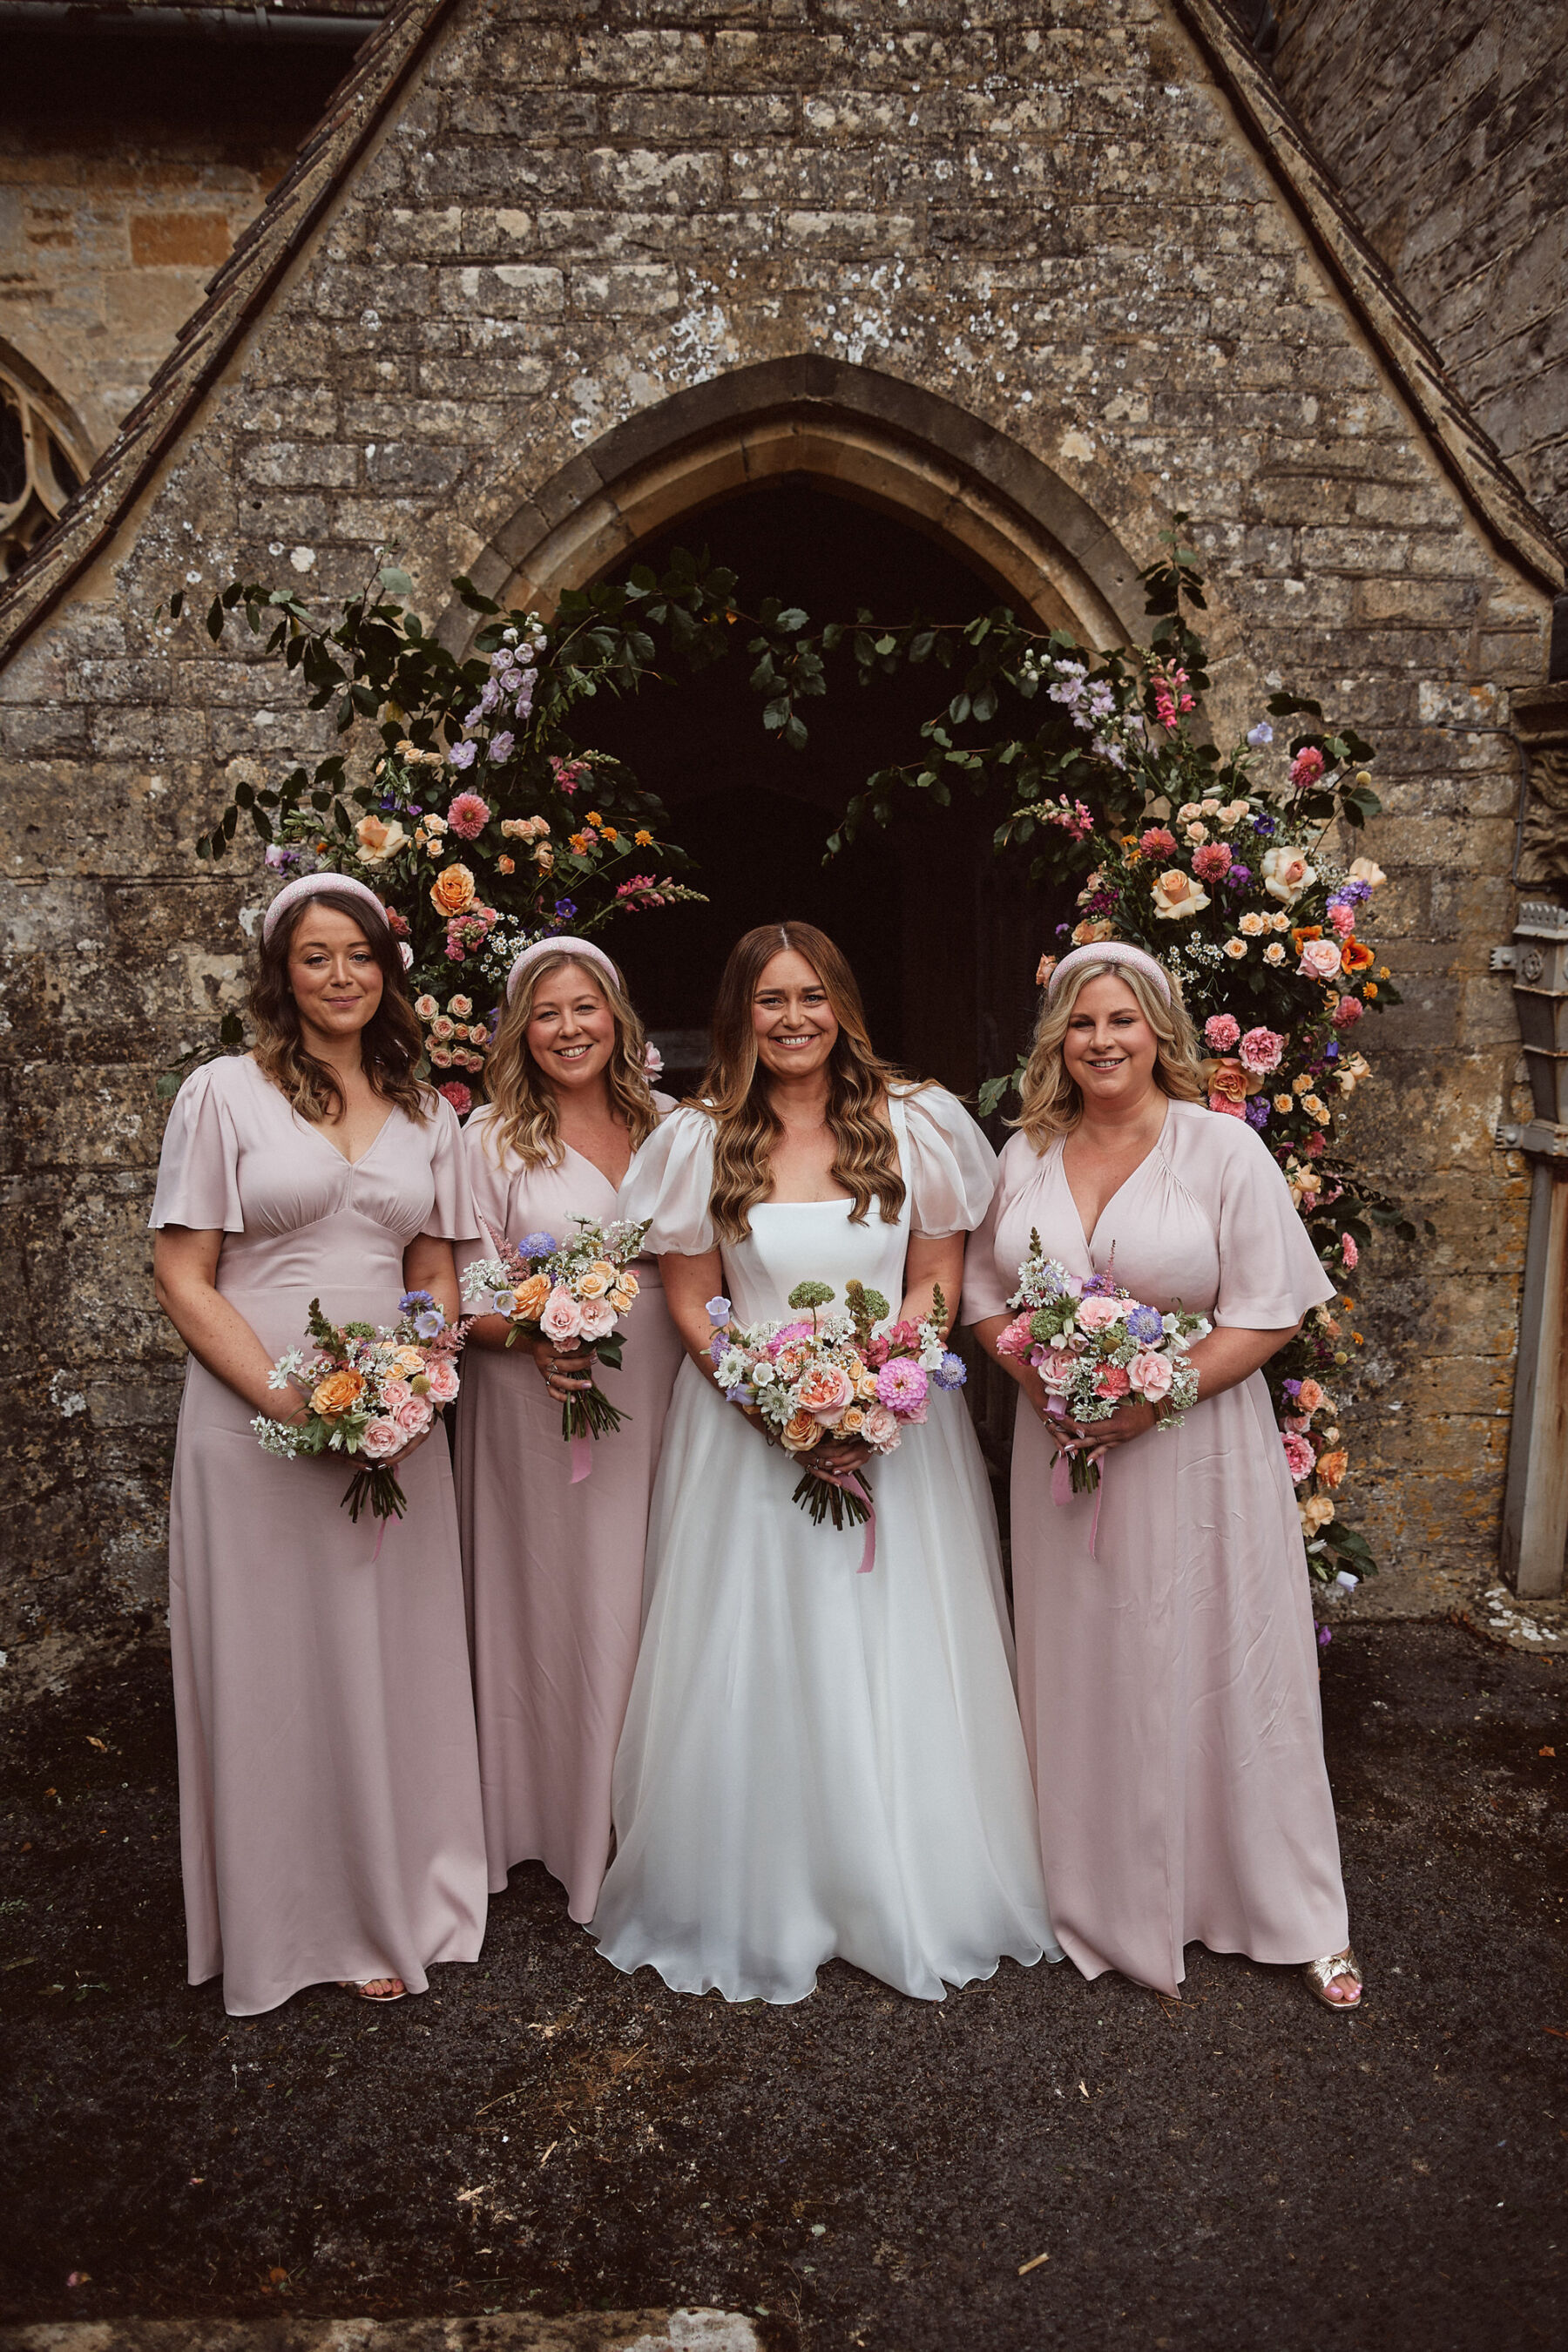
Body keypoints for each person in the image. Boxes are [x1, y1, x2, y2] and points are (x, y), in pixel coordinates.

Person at [590, 921, 1057, 2004]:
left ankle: (907, 1876)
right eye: (769, 1001)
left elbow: (937, 1277)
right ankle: (758, 1884)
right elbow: (692, 1293)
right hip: (743, 1426)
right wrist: (770, 1400)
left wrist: (882, 1391)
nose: (792, 1019)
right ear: (739, 1015)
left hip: (896, 1427)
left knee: (891, 1636)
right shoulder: (700, 1137)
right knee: (752, 1643)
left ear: (842, 1002)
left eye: (811, 996)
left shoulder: (914, 1122)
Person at [963, 940, 1362, 2011]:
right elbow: (979, 1298)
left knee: (1220, 1656)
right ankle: (1094, 1891)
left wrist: (1152, 1398)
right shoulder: (1025, 1156)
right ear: (1059, 1041)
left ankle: (1286, 1907)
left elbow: (1268, 1312)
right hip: (1068, 1457)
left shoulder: (1221, 1150)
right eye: (1082, 1024)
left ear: (1159, 1033)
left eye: (1122, 1022)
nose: (1102, 1042)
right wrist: (1040, 1381)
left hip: (1198, 1452)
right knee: (1088, 1661)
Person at [150, 872, 487, 2013]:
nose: (342, 976)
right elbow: (182, 1277)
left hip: (394, 1427)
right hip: (254, 1424)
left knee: (386, 1659)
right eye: (316, 957)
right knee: (276, 1669)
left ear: (388, 973)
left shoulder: (428, 1110)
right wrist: (290, 1406)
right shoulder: (223, 1096)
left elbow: (433, 1270)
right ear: (280, 976)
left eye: (361, 955)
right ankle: (285, 1922)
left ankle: (391, 1895)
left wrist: (417, 1391)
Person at [456, 939, 683, 1922]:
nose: (568, 1029)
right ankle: (555, 1817)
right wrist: (531, 1334)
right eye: (546, 1013)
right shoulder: (490, 1141)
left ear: (619, 1017)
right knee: (557, 1598)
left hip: (670, 1390)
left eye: (585, 1007)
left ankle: (660, 1812)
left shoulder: (676, 1129)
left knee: (660, 1587)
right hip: (535, 1404)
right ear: (520, 1031)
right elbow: (457, 1292)